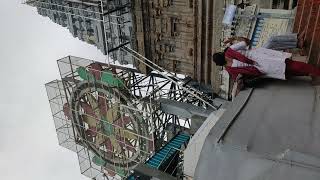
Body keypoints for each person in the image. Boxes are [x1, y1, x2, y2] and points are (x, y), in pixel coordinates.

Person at [213, 36, 320, 82]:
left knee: (290, 68)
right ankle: (314, 72)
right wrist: (234, 38)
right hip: (263, 63)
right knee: (290, 68)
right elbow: (247, 41)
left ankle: (313, 72)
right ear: (222, 54)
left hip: (263, 65)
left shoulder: (230, 70)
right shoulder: (230, 51)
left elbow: (241, 78)